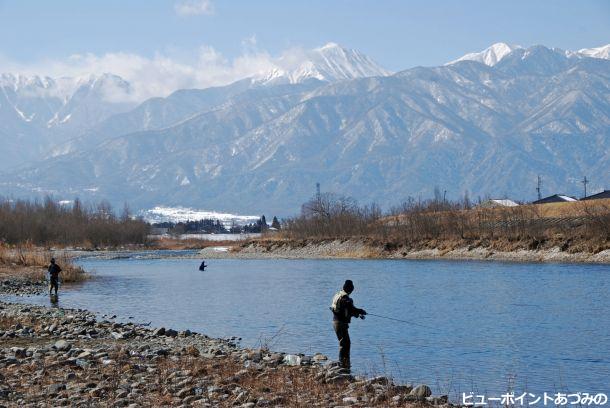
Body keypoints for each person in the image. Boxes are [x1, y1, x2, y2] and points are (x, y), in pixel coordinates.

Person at [330, 279, 366, 370]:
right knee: (345, 344)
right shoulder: (346, 299)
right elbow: (352, 310)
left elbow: (347, 311)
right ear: (350, 289)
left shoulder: (338, 295)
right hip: (340, 324)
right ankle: (343, 365)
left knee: (345, 343)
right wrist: (361, 311)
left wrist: (357, 314)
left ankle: (343, 364)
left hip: (335, 322)